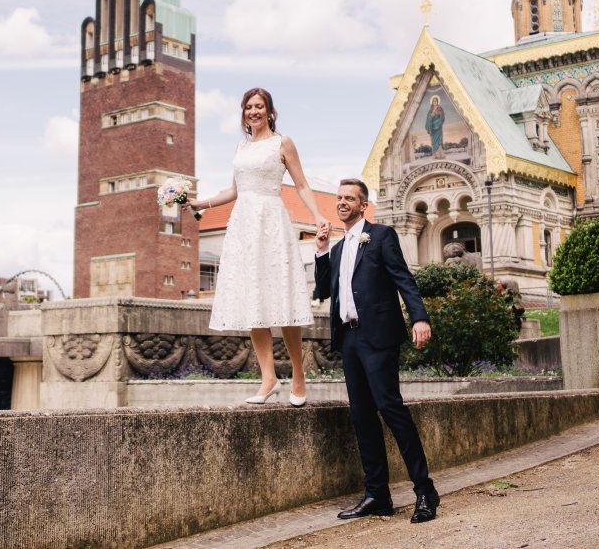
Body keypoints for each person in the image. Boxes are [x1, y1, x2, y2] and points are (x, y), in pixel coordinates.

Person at [187, 88, 329, 407]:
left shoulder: (282, 143)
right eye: (249, 107)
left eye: (259, 106)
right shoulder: (241, 146)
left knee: (282, 299)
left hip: (272, 221)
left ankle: (297, 374)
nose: (254, 111)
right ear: (244, 113)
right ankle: (268, 378)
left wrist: (318, 216)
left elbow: (302, 184)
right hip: (244, 225)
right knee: (254, 298)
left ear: (269, 111)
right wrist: (202, 203)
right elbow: (235, 190)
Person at [314, 178, 441, 524]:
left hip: (378, 337)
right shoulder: (337, 249)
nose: (342, 203)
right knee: (362, 416)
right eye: (339, 198)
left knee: (391, 409)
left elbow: (403, 278)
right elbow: (323, 291)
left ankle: (424, 491)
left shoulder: (381, 235)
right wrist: (322, 250)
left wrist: (419, 317)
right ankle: (377, 495)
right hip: (350, 340)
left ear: (363, 205)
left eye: (349, 198)